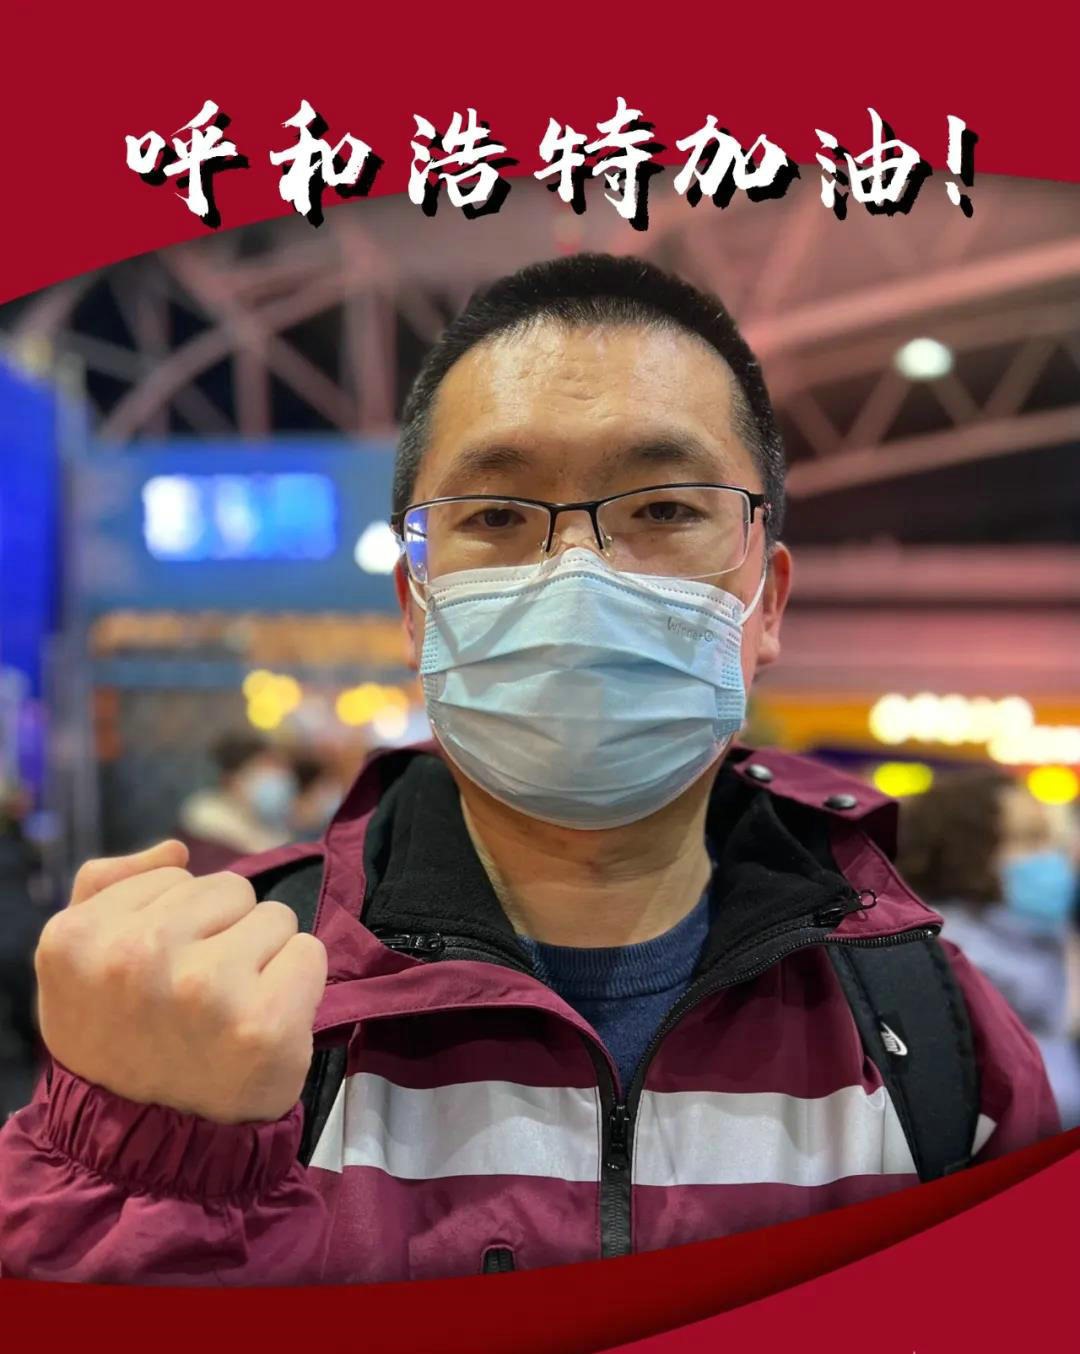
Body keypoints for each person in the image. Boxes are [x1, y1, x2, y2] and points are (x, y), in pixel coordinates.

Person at [0, 253, 1058, 1285]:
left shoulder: (931, 1032)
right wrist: (144, 1164)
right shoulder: (236, 1004)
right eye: (497, 517)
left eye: (664, 509)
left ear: (766, 600)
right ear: (416, 608)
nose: (577, 579)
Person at [899, 768, 1080, 1128]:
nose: (1050, 858)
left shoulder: (1038, 935)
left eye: (1050, 839)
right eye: (1028, 839)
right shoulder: (945, 952)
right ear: (966, 849)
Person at [175, 732, 298, 875]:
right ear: (231, 780)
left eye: (280, 768)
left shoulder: (272, 831)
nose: (278, 778)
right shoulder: (205, 837)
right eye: (265, 768)